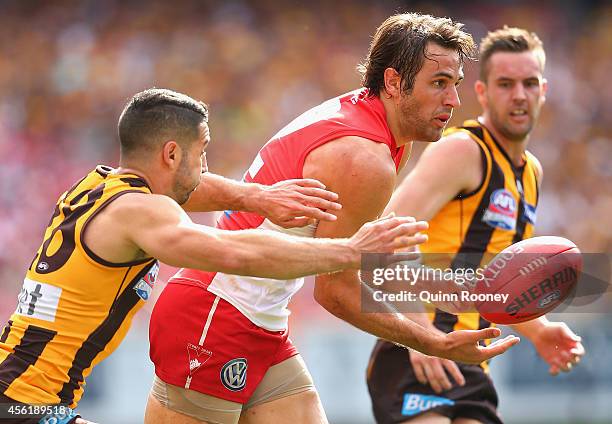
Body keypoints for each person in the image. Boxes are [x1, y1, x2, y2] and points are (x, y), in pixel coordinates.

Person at [146, 14, 521, 424]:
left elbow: (365, 255)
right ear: (394, 82)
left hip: (258, 320)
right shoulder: (367, 158)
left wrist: (424, 323)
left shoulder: (380, 131)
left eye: (455, 84)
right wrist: (430, 340)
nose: (453, 100)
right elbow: (335, 290)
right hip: (214, 317)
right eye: (438, 83)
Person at [0, 88, 427, 424]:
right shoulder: (145, 212)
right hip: (22, 404)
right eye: (202, 153)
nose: (205, 166)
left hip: (22, 391)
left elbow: (190, 188)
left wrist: (257, 196)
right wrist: (351, 250)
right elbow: (234, 252)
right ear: (171, 153)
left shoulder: (98, 186)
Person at [366, 27, 585, 424]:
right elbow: (386, 236)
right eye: (505, 84)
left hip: (470, 361)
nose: (519, 94)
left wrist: (540, 331)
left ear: (544, 90)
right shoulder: (462, 150)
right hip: (419, 352)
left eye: (529, 83)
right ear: (482, 92)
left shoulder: (531, 172)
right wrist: (420, 335)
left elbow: (498, 277)